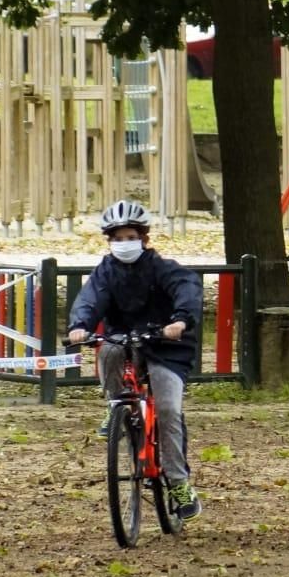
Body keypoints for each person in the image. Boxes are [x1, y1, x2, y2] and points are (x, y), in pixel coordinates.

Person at [66, 200, 204, 523]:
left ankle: (179, 485)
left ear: (143, 238)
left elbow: (186, 288)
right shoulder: (105, 272)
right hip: (125, 340)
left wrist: (180, 320)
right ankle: (116, 405)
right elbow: (90, 299)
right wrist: (79, 326)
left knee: (168, 410)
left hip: (166, 346)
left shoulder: (162, 268)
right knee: (109, 350)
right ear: (109, 241)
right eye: (117, 238)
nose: (124, 243)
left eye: (130, 237)